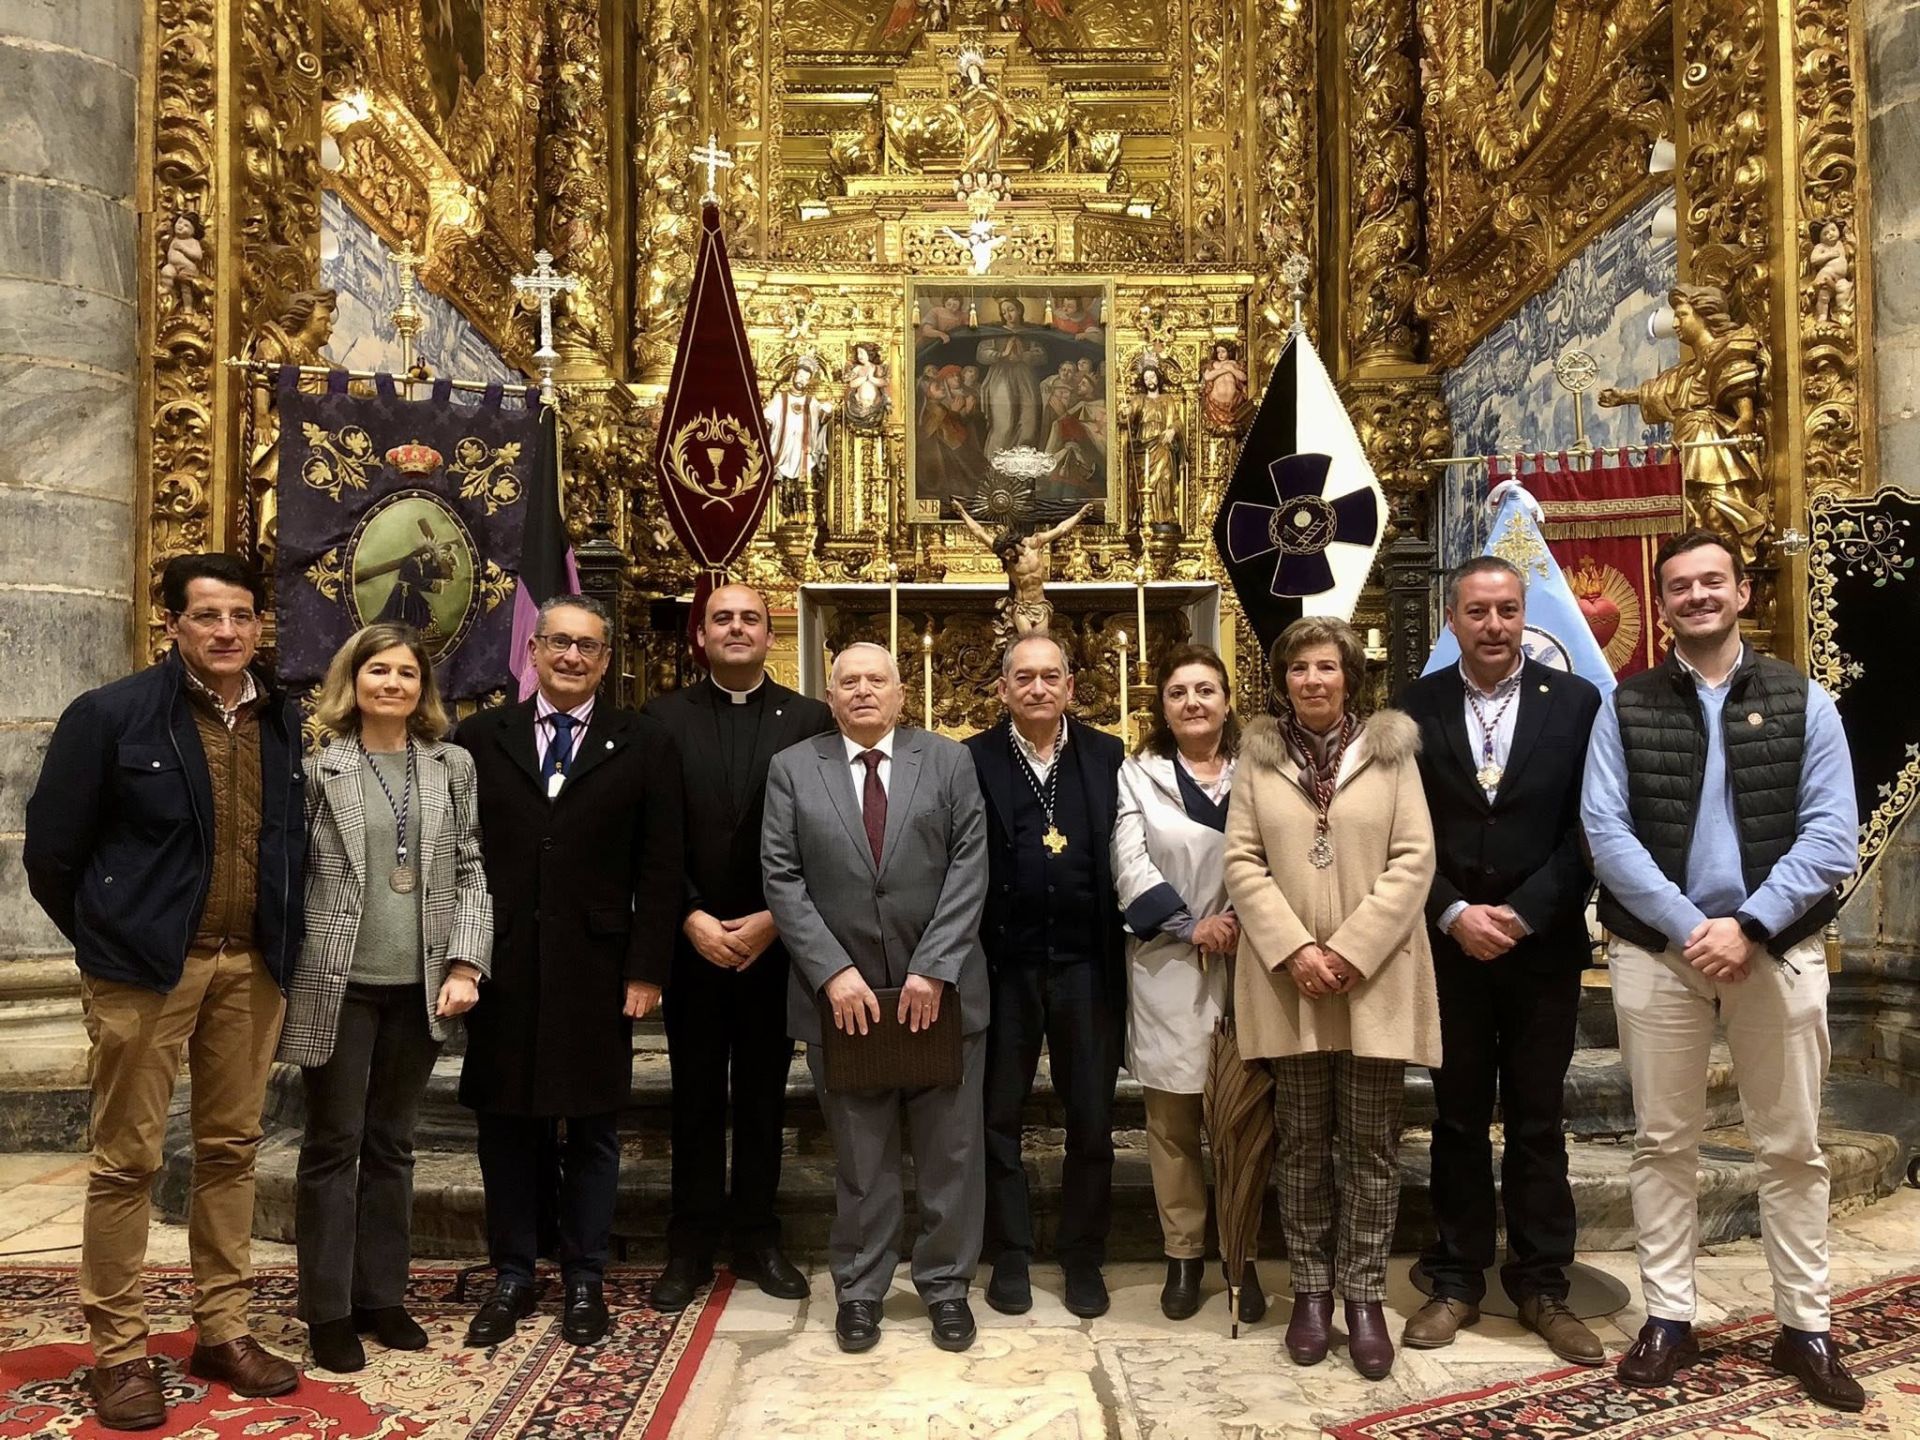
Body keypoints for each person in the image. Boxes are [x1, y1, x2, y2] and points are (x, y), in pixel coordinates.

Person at [24, 553, 307, 1429]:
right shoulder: (110, 715)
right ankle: (118, 1352)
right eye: (208, 616)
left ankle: (220, 1328)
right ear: (172, 626)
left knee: (229, 1150)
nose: (227, 632)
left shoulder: (282, 718)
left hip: (248, 969)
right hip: (147, 973)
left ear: (260, 625)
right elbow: (52, 854)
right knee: (127, 1162)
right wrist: (113, 941)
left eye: (242, 616)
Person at [1582, 531, 1863, 1411]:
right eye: (1678, 587)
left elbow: (1831, 835)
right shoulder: (1623, 706)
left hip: (1773, 948)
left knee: (1792, 1145)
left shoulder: (1803, 700)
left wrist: (1746, 925)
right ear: (1659, 603)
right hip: (1660, 955)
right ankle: (1670, 1315)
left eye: (1713, 582)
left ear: (1742, 592)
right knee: (1665, 1141)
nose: (1696, 597)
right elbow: (1606, 829)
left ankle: (1805, 1326)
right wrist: (1685, 928)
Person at [451, 595, 684, 1349]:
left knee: (591, 1129)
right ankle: (514, 1272)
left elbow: (662, 865)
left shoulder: (642, 742)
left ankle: (585, 1274)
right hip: (503, 964)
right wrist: (460, 956)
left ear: (606, 660)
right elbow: (458, 859)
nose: (572, 658)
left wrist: (647, 969)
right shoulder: (482, 739)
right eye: (558, 643)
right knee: (506, 1127)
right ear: (534, 650)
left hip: (598, 966)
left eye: (588, 647)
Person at [1397, 558, 1605, 1364]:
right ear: (1452, 619)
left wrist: (1521, 913)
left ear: (1524, 616)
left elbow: (1591, 828)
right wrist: (1452, 909)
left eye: (1507, 610)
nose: (1493, 625)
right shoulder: (1415, 707)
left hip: (1541, 948)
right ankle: (1454, 1280)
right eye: (1477, 611)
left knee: (1537, 1120)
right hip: (1448, 949)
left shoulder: (1579, 703)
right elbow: (1402, 831)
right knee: (1454, 1119)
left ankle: (1543, 1287)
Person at [1224, 616, 1439, 1382]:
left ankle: (1365, 1297)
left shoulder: (1391, 753)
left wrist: (1349, 949)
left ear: (1351, 675)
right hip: (1292, 984)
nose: (1312, 680)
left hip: (1371, 979)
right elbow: (1242, 861)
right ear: (1282, 680)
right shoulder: (1259, 757)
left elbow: (1415, 858)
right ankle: (1311, 1292)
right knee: (1305, 1146)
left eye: (1326, 666)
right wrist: (1296, 950)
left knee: (1372, 1148)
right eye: (1298, 669)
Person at [761, 642, 990, 1354]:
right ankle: (860, 1289)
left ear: (900, 693)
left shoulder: (948, 761)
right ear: (830, 697)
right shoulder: (794, 769)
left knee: (951, 1154)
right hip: (845, 1000)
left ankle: (946, 1287)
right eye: (848, 682)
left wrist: (933, 968)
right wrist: (832, 972)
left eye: (876, 680)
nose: (863, 691)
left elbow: (969, 865)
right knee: (861, 1159)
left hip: (940, 993)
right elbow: (782, 875)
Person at [278, 623, 492, 1373]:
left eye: (406, 673)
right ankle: (328, 1309)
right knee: (334, 1143)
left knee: (393, 1146)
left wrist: (466, 963)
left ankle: (382, 1297)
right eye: (378, 670)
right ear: (353, 680)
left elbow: (471, 867)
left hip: (421, 984)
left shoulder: (450, 765)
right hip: (337, 980)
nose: (393, 684)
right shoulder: (317, 768)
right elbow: (292, 874)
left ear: (422, 689)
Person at [642, 585, 834, 1311]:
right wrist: (687, 914)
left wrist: (775, 920)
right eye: (722, 617)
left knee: (761, 1098)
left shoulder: (811, 720)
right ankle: (689, 1244)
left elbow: (825, 836)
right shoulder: (661, 719)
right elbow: (654, 835)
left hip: (774, 944)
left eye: (750, 618)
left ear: (768, 633)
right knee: (690, 1097)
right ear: (702, 633)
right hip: (692, 946)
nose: (736, 627)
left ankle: (757, 1236)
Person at [965, 633, 1127, 1318]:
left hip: (1087, 964)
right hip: (1002, 965)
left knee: (1090, 1117)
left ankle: (1082, 1254)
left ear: (1069, 685)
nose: (1037, 688)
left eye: (1049, 676)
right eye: (1023, 677)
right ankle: (1010, 1253)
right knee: (995, 1116)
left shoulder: (1107, 755)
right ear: (1002, 688)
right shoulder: (968, 759)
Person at [1111, 644, 1259, 1323]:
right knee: (1172, 1123)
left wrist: (1243, 918)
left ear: (1228, 700)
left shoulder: (1263, 769)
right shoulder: (1137, 775)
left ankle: (1243, 1253)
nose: (1193, 702)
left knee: (1245, 1118)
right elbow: (1128, 857)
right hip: (1170, 960)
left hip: (1256, 962)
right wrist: (1190, 924)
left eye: (1205, 689)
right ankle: (1183, 1253)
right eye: (1179, 692)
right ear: (1162, 708)